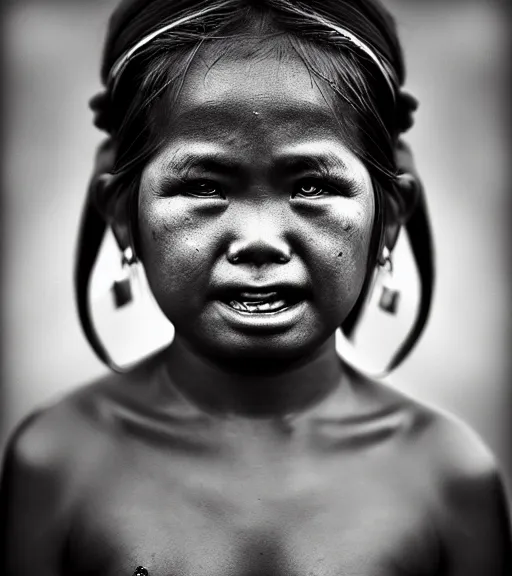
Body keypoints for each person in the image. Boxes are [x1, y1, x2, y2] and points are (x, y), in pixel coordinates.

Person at [1, 0, 511, 574]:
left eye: (313, 186)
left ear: (388, 215)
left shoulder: (449, 478)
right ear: (123, 213)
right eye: (203, 185)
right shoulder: (57, 462)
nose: (260, 239)